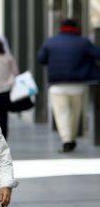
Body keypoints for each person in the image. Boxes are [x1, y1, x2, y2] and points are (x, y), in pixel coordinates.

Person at [37, 19, 100, 153]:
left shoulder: (51, 42)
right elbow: (97, 54)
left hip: (57, 85)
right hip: (78, 84)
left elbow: (41, 59)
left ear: (61, 28)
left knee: (61, 113)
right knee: (75, 113)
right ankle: (72, 137)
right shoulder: (83, 42)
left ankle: (67, 140)